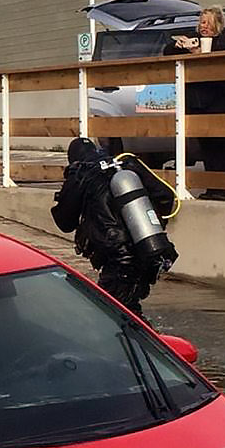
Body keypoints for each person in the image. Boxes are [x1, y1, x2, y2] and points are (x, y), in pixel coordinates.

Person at [50, 137, 179, 322]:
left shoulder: (81, 174)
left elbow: (65, 222)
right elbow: (166, 197)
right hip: (149, 251)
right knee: (127, 312)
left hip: (119, 261)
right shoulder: (125, 164)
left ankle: (152, 347)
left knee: (110, 319)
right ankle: (149, 345)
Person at [164, 5, 225, 200]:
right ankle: (212, 186)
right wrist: (179, 45)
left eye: (207, 22)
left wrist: (199, 53)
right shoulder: (193, 37)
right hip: (197, 100)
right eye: (201, 22)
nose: (203, 26)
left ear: (217, 24)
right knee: (205, 145)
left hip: (219, 99)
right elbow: (167, 52)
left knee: (220, 144)